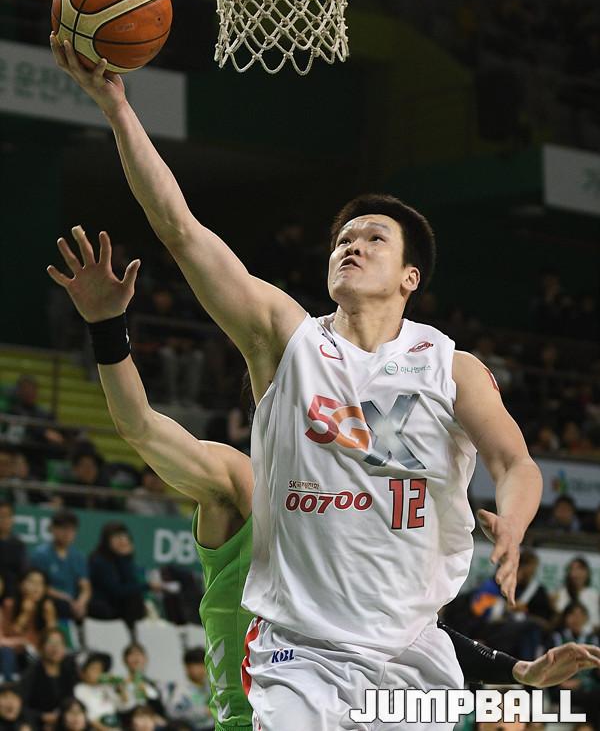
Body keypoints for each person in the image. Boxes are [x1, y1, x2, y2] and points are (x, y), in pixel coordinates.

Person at [50, 37, 545, 730]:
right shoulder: (288, 340)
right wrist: (117, 109)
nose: (352, 245)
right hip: (297, 652)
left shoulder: (448, 366)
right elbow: (181, 231)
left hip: (411, 653)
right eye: (343, 238)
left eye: (374, 238)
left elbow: (515, 462)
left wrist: (515, 522)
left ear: (411, 277)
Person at [47, 230, 600, 731]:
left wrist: (517, 672)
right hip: (257, 707)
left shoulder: (357, 509)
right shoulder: (235, 480)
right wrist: (106, 328)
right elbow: (140, 426)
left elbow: (393, 634)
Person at [30, 512, 91, 623]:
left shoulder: (78, 557)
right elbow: (39, 586)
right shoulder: (40, 554)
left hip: (72, 604)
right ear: (53, 529)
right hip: (52, 601)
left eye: (72, 530)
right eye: (64, 529)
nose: (68, 534)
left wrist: (81, 602)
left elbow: (85, 586)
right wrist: (64, 597)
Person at [87, 524, 150, 627]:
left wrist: (126, 558)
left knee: (136, 599)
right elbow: (116, 590)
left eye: (123, 537)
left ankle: (135, 632)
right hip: (101, 605)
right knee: (132, 599)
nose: (121, 541)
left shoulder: (120, 560)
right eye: (116, 537)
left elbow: (130, 582)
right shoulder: (98, 561)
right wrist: (148, 586)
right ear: (107, 540)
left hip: (116, 605)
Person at [0, 569, 57, 678]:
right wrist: (24, 614)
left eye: (41, 583)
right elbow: (7, 635)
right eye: (32, 582)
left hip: (37, 653)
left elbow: (52, 637)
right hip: (15, 651)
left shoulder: (47, 607)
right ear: (21, 585)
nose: (36, 587)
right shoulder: (9, 604)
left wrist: (50, 618)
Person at [18, 628, 78, 731]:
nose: (55, 648)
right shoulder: (32, 673)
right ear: (41, 648)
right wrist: (42, 716)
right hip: (36, 723)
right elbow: (21, 705)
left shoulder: (69, 671)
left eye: (59, 643)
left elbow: (72, 700)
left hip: (64, 722)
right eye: (50, 643)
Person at [161, 648, 213, 731]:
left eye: (204, 664)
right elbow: (173, 714)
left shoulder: (211, 686)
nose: (202, 668)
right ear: (187, 667)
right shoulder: (179, 690)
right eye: (197, 665)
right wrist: (204, 712)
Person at [553, 557, 600, 634]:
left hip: (589, 636)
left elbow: (596, 624)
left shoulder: (593, 594)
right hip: (566, 635)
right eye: (573, 569)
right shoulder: (561, 593)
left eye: (580, 569)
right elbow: (559, 619)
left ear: (587, 573)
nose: (576, 573)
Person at [73, 654, 119, 731]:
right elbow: (86, 715)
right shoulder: (80, 689)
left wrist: (118, 686)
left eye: (100, 670)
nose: (97, 673)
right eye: (94, 669)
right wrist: (105, 729)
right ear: (83, 672)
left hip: (114, 724)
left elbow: (121, 704)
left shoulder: (106, 686)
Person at [115, 644, 162, 716]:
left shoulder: (153, 685)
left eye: (139, 655)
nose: (136, 659)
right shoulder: (119, 684)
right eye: (131, 655)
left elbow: (160, 710)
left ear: (145, 659)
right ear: (124, 660)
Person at [0, 503, 27, 599]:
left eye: (8, 516)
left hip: (13, 592)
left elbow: (23, 571)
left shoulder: (18, 544)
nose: (4, 520)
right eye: (1, 516)